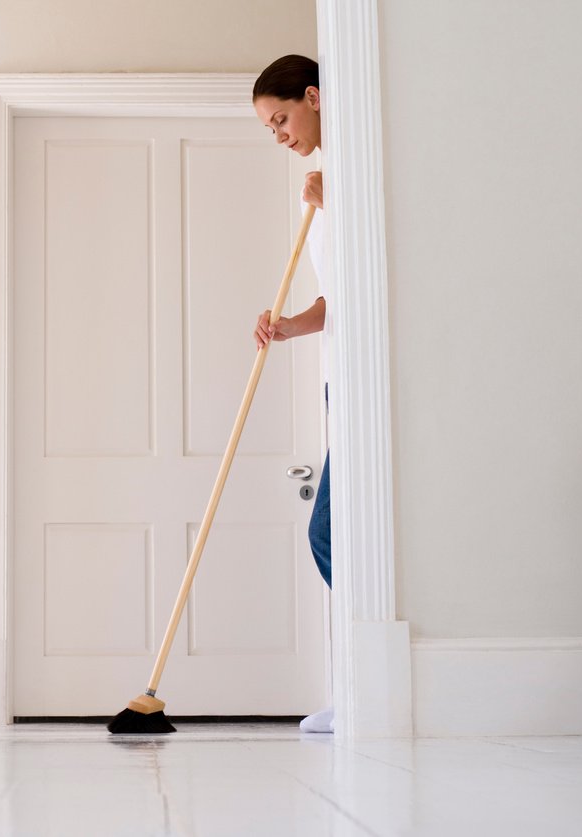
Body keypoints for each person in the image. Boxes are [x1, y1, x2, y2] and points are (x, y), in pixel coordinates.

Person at [251, 54, 334, 735]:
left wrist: (341, 204)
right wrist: (286, 328)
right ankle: (365, 686)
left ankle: (369, 684)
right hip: (343, 380)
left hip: (366, 385)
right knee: (339, 535)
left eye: (281, 118)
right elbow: (336, 303)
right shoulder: (324, 183)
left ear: (312, 96)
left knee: (331, 533)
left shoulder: (347, 175)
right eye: (269, 127)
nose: (278, 134)